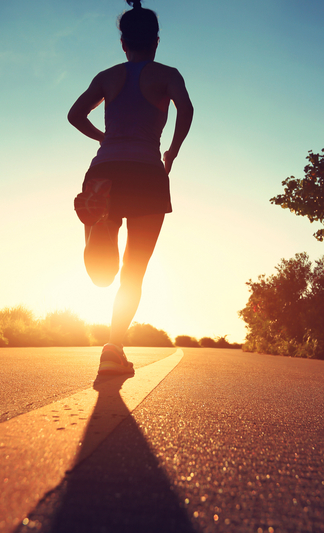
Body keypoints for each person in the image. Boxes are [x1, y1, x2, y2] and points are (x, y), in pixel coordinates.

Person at [68, 0, 193, 375]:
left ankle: (99, 230)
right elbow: (186, 110)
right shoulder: (167, 74)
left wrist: (104, 137)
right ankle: (113, 348)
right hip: (146, 172)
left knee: (102, 273)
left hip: (104, 169)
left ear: (123, 43)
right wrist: (171, 151)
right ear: (156, 41)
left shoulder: (107, 76)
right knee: (133, 270)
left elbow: (75, 115)